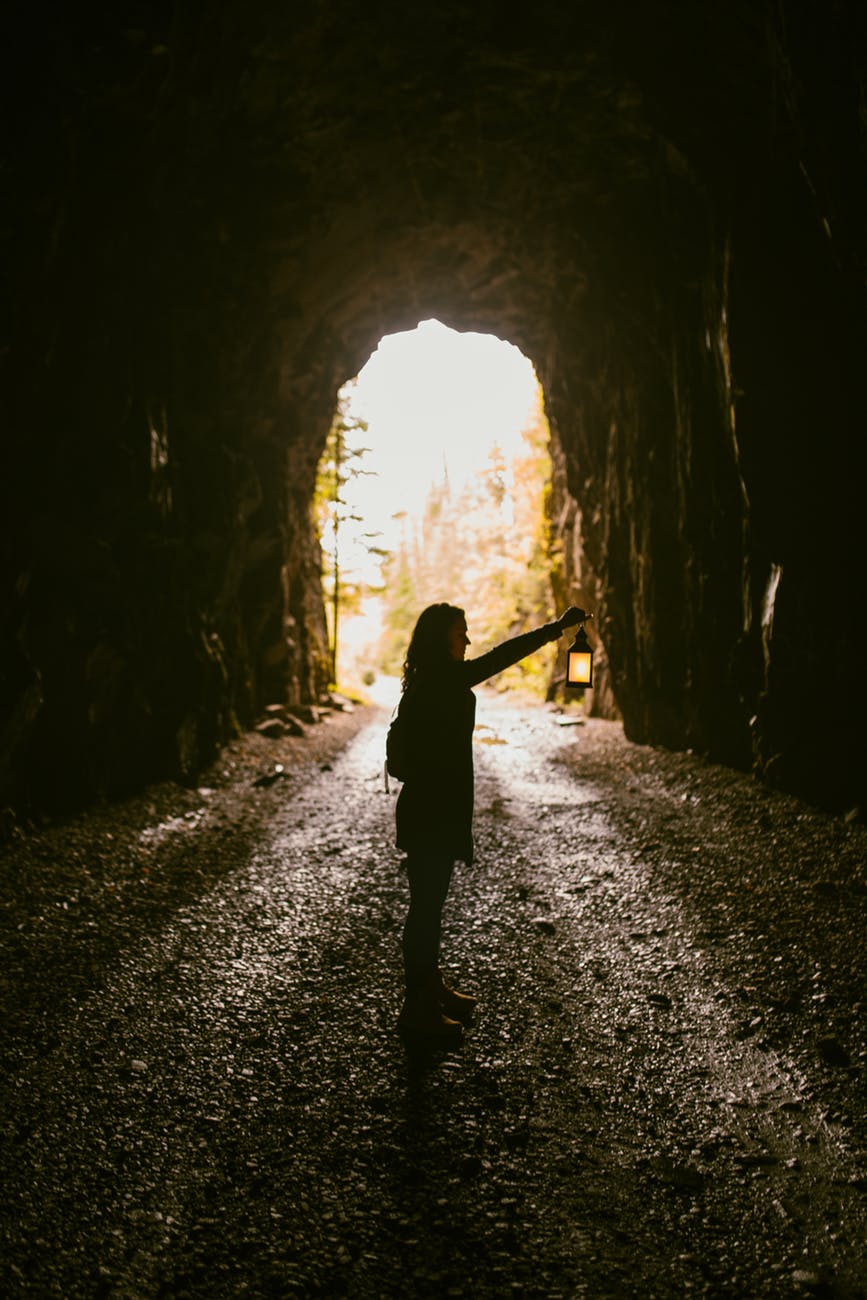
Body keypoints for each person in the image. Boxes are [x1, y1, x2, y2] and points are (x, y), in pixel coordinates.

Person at [394, 601, 587, 1038]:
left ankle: (429, 987)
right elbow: (502, 656)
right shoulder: (443, 678)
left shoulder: (428, 678)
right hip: (432, 811)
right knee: (425, 910)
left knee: (429, 906)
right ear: (442, 637)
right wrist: (554, 630)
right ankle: (417, 1009)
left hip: (429, 807)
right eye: (460, 632)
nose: (467, 639)